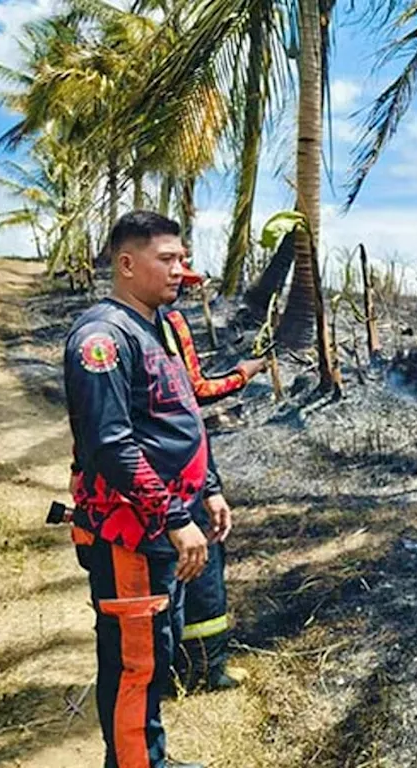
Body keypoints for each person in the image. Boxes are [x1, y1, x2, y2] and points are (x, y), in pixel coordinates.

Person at [64, 210, 226, 768]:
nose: (181, 270)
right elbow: (112, 444)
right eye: (168, 260)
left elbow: (177, 419)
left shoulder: (155, 328)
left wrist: (207, 488)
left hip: (163, 525)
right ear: (127, 264)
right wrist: (174, 520)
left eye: (182, 258)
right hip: (131, 534)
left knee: (156, 651)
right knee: (135, 663)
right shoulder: (101, 339)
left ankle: (144, 758)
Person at [163, 260, 267, 694]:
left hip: (191, 467)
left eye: (183, 286)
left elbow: (193, 392)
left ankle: (207, 667)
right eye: (175, 284)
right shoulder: (123, 333)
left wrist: (210, 484)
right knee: (170, 579)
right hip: (159, 483)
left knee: (206, 574)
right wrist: (244, 374)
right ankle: (168, 674)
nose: (177, 292)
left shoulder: (172, 324)